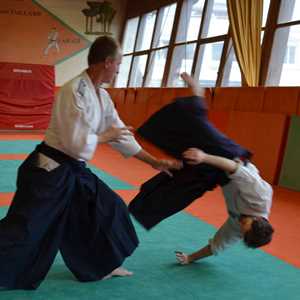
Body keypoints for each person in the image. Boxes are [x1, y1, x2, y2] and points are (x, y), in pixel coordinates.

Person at [0, 36, 181, 290]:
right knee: (27, 228)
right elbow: (76, 142)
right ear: (107, 62)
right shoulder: (73, 91)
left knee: (110, 209)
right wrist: (107, 136)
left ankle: (102, 265)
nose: (119, 69)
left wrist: (153, 161)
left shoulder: (103, 97)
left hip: (73, 170)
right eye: (118, 63)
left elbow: (120, 133)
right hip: (49, 169)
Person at [128, 73, 251, 229]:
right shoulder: (194, 120)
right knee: (179, 181)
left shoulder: (196, 122)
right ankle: (144, 204)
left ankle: (144, 205)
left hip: (225, 161)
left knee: (179, 186)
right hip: (220, 164)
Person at [176, 148, 274, 264]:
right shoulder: (261, 197)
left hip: (219, 176)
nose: (240, 223)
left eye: (242, 229)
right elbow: (235, 168)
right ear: (257, 218)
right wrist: (204, 157)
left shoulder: (241, 229)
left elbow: (216, 246)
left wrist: (190, 258)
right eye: (244, 223)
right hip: (230, 159)